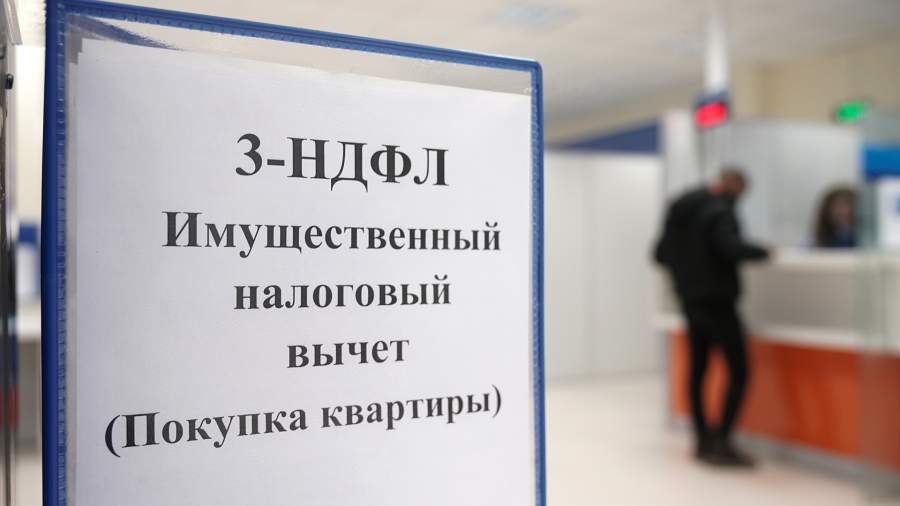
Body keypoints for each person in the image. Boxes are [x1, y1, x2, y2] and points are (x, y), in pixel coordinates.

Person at [654, 168, 769, 467]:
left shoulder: (681, 207)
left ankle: (702, 440)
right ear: (735, 185)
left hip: (689, 301)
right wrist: (763, 252)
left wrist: (687, 274)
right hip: (719, 302)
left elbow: (660, 254)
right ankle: (723, 440)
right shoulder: (720, 210)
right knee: (739, 371)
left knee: (698, 370)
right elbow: (730, 247)